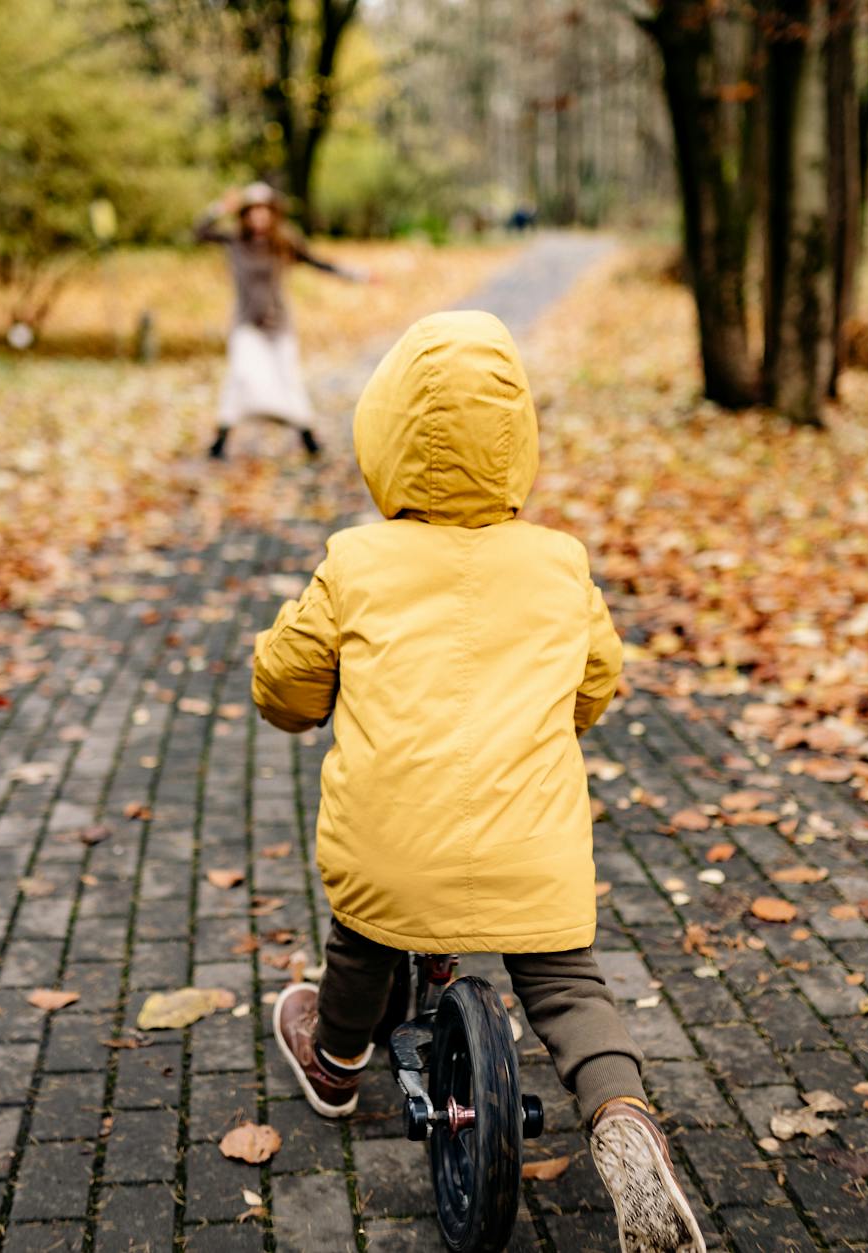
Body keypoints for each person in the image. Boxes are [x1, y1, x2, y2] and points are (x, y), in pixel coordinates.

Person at [253, 310, 709, 1253]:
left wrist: (304, 698)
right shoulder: (557, 562)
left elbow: (286, 682)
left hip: (395, 845)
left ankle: (336, 1062)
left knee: (365, 938)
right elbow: (596, 683)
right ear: (517, 443)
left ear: (381, 435)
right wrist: (556, 716)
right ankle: (622, 1118)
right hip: (528, 847)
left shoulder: (358, 561)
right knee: (568, 981)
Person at [194, 182, 366, 460]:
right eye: (253, 211)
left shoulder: (284, 242)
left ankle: (307, 436)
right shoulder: (236, 241)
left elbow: (317, 262)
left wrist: (354, 275)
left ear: (273, 214)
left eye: (265, 211)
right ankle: (221, 440)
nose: (259, 217)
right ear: (245, 215)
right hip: (246, 322)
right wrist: (220, 208)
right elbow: (199, 232)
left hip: (279, 324)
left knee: (289, 379)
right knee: (240, 375)